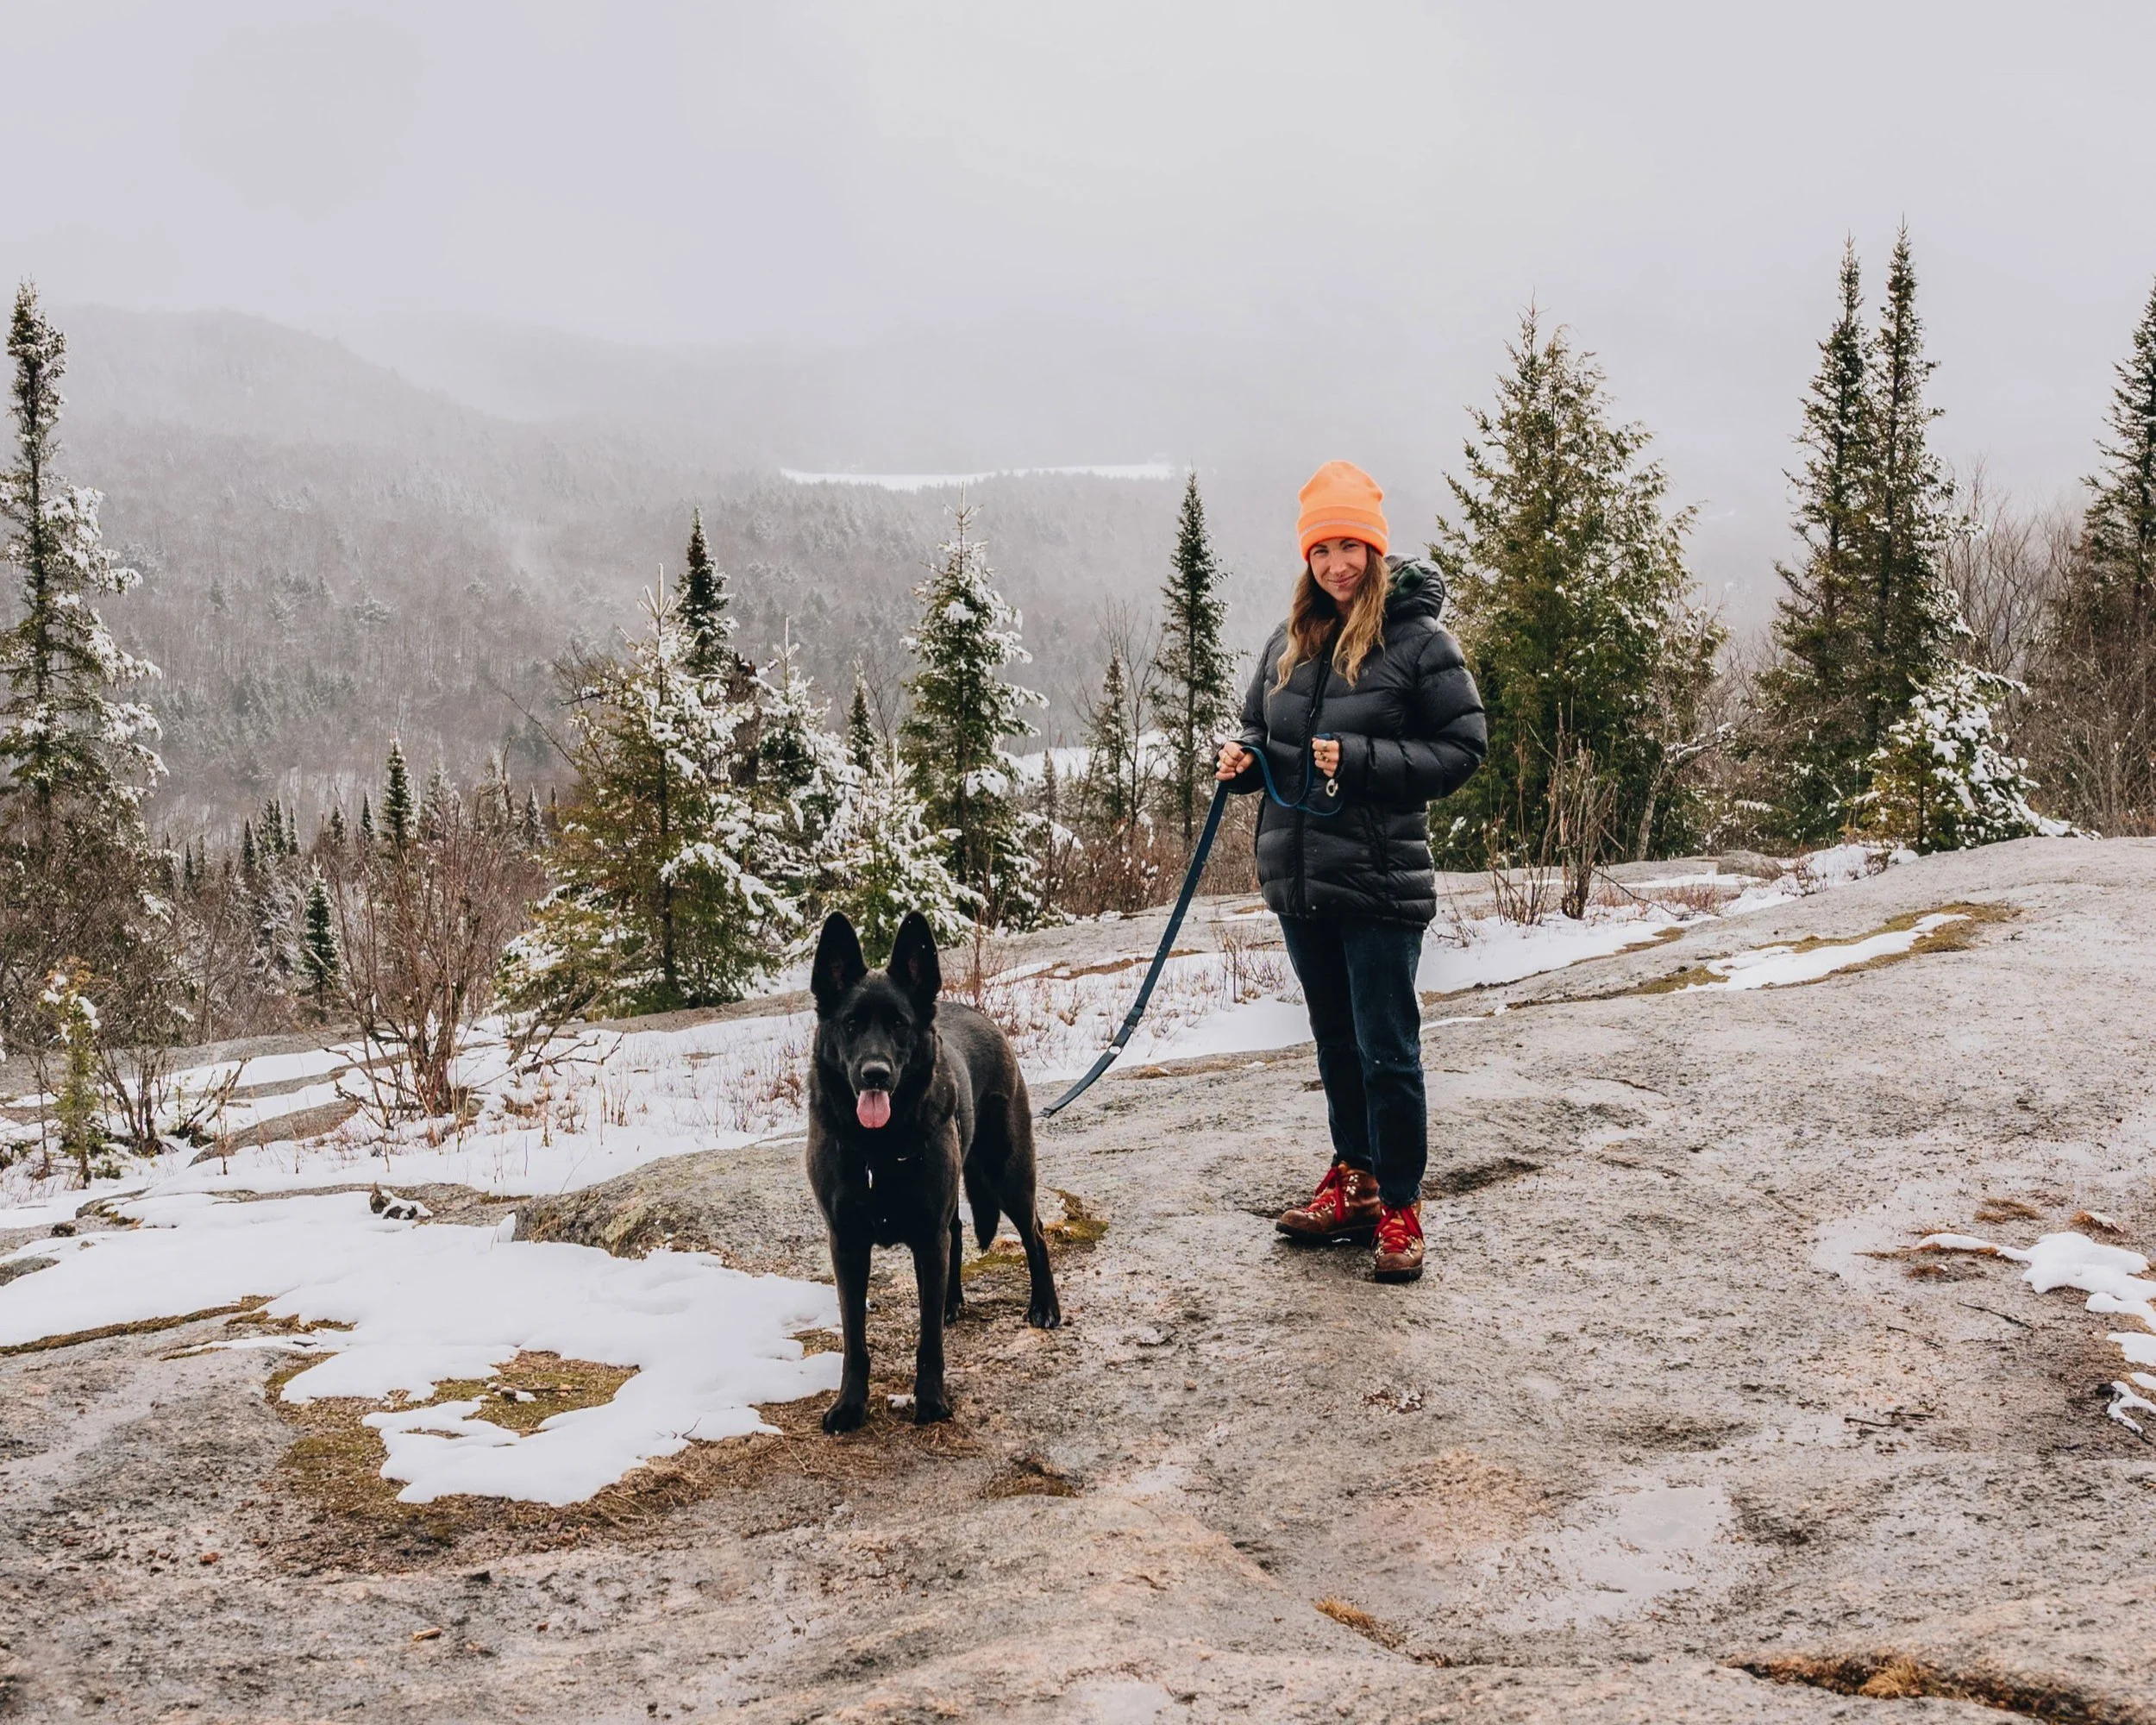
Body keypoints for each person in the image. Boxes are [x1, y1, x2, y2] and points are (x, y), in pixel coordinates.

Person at [1216, 461, 1486, 1281]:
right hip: (1302, 879)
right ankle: (1355, 1180)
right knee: (1336, 1040)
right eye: (1323, 548)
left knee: (1387, 1050)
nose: (1338, 564)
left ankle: (1400, 1206)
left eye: (1352, 546)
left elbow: (1463, 748)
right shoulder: (1288, 638)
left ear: (1376, 547)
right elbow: (1261, 728)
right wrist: (1242, 759)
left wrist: (1362, 758)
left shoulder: (1420, 640)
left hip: (1378, 879)